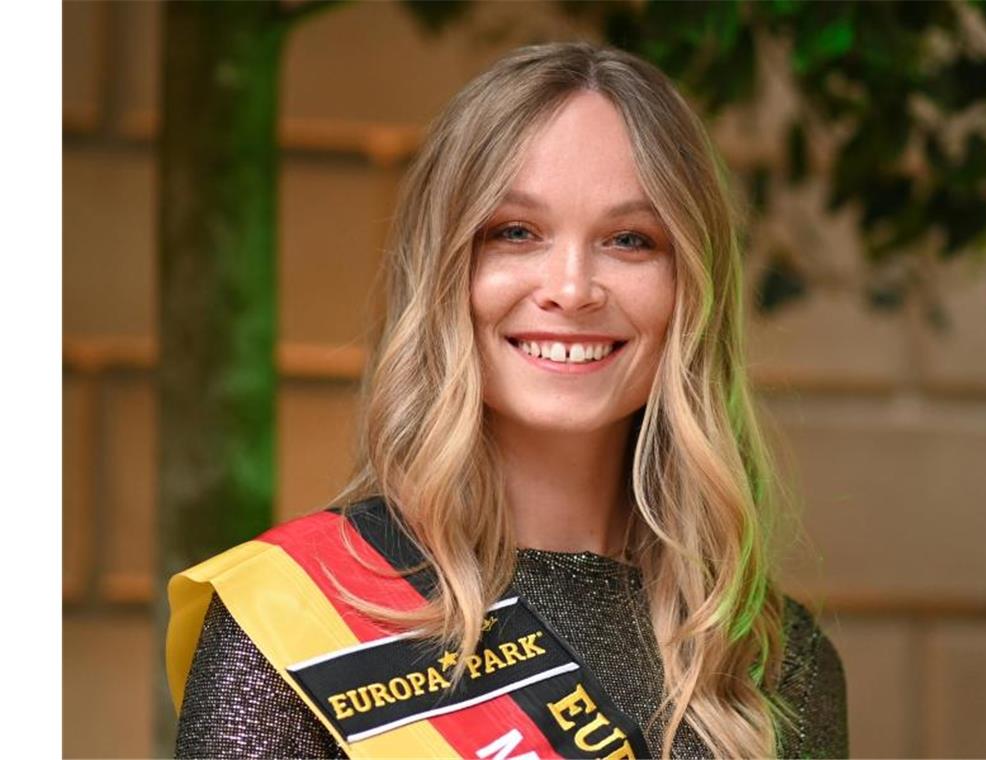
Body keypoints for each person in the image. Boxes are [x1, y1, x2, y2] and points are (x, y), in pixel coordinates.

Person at [166, 42, 848, 759]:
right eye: (516, 233)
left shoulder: (770, 661)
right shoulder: (297, 618)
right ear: (445, 271)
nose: (572, 287)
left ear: (691, 289)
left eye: (629, 239)